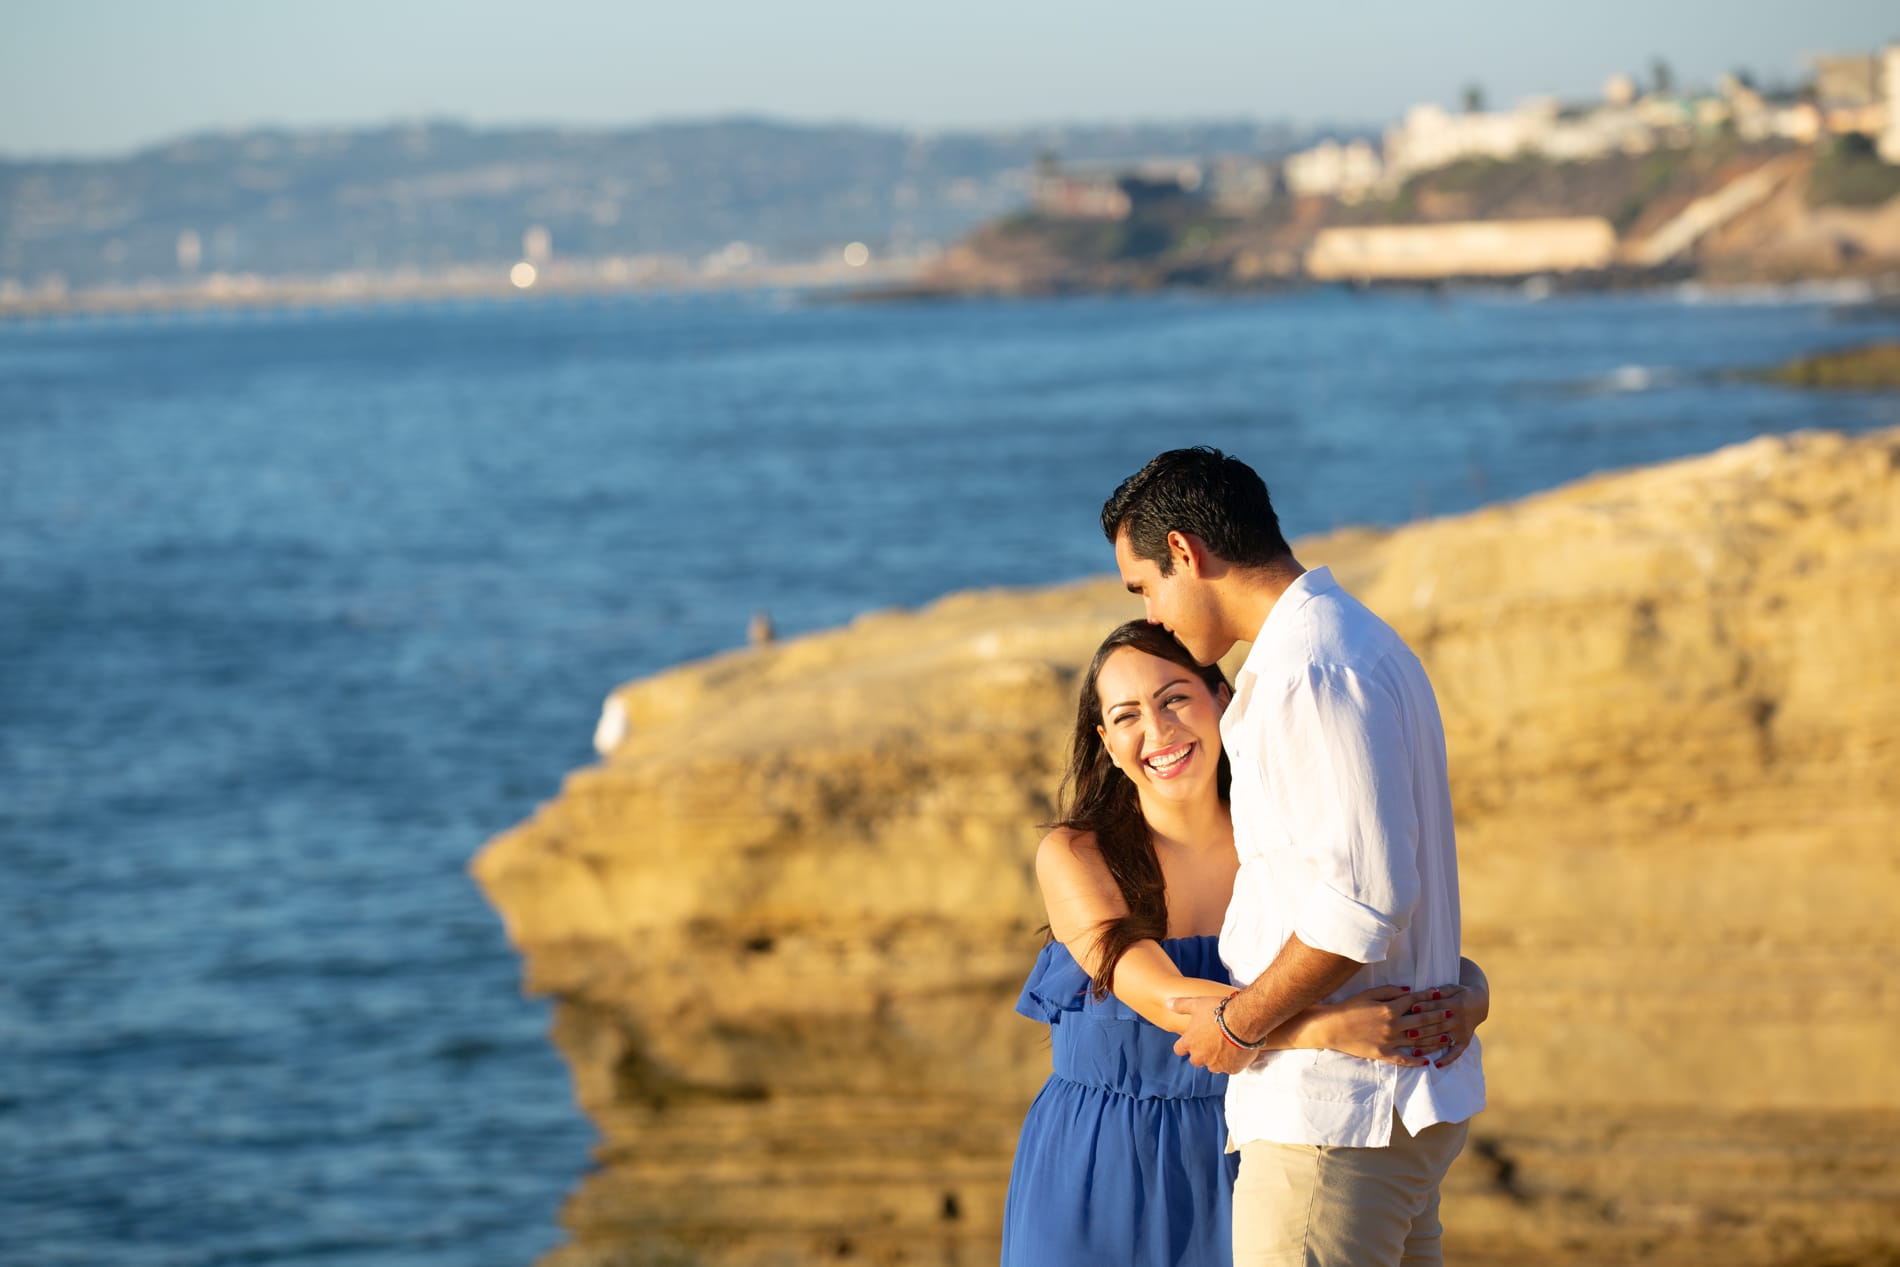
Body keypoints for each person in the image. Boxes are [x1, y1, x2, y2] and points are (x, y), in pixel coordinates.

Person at [1101, 446, 1486, 1266]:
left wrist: (1239, 1027)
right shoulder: (1357, 642)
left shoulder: (1307, 670)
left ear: (1185, 553)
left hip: (1333, 1128)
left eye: (1146, 586)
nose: (1156, 614)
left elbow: (1368, 899)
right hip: (1390, 1116)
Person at [1000, 619, 1488, 1267]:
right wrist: (1326, 1028)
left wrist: (1473, 995)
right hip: (1097, 1168)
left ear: (1222, 701)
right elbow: (1167, 997)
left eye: (1176, 697)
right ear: (1107, 743)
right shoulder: (1075, 855)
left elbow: (1374, 933)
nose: (1158, 729)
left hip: (1249, 1147)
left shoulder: (1275, 837)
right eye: (1126, 715)